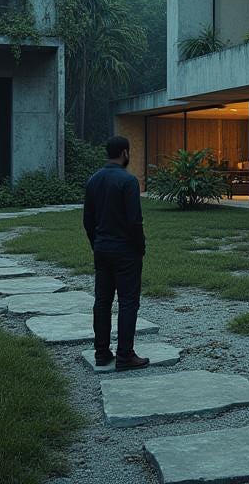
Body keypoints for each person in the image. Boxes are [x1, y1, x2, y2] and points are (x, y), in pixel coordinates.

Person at [82, 136, 149, 371]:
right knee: (128, 302)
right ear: (124, 153)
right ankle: (125, 356)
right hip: (125, 251)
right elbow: (134, 221)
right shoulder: (128, 181)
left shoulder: (93, 180)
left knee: (102, 302)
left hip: (102, 249)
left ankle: (101, 353)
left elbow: (87, 220)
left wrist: (96, 244)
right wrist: (140, 248)